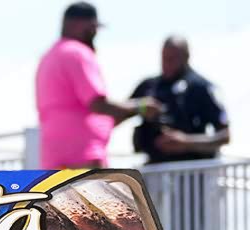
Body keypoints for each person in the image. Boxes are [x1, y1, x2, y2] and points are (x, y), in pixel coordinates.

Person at [35, 2, 162, 168]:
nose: (95, 33)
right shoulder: (77, 52)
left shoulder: (49, 57)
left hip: (53, 160)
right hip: (84, 157)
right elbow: (97, 104)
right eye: (92, 27)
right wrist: (141, 107)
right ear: (74, 24)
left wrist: (127, 112)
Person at [130, 36, 230, 164]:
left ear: (186, 57)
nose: (167, 63)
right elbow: (118, 114)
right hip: (155, 171)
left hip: (192, 173)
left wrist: (186, 142)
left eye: (172, 58)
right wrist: (142, 107)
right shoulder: (149, 86)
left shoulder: (202, 88)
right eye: (164, 58)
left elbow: (225, 136)